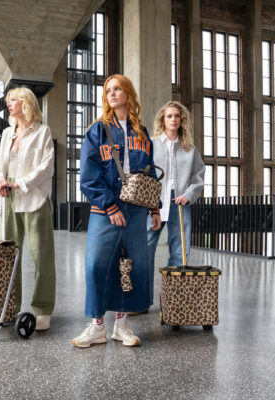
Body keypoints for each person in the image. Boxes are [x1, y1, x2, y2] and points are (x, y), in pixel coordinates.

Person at [72, 74, 161, 348]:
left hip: (135, 212)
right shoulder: (97, 131)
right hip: (104, 210)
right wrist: (110, 205)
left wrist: (154, 209)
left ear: (128, 93)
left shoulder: (142, 134)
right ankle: (97, 326)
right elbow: (88, 176)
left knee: (130, 267)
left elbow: (148, 175)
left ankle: (121, 325)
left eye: (117, 88)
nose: (112, 94)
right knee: (97, 265)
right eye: (108, 90)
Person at [0, 86, 56, 331]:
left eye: (15, 99)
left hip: (34, 201)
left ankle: (43, 309)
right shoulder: (7, 133)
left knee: (42, 258)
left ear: (26, 103)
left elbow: (46, 167)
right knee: (6, 259)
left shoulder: (43, 132)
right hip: (8, 202)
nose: (10, 103)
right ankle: (9, 307)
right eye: (9, 100)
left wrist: (19, 183)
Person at [146, 101, 205, 307]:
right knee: (146, 248)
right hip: (155, 201)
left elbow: (198, 177)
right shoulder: (151, 144)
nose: (173, 119)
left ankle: (172, 299)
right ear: (163, 119)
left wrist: (188, 194)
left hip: (180, 202)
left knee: (180, 251)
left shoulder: (190, 149)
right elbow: (144, 172)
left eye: (177, 116)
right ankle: (142, 300)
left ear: (182, 120)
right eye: (169, 116)